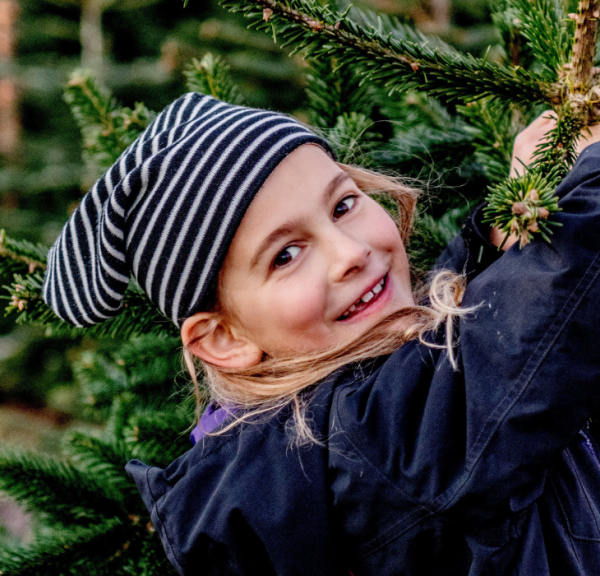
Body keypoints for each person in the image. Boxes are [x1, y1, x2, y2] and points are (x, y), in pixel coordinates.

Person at [43, 93, 600, 575]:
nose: (350, 253)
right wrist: (589, 180)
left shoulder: (354, 428)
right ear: (223, 339)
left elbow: (453, 354)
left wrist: (508, 221)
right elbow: (524, 335)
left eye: (343, 204)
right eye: (285, 255)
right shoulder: (354, 453)